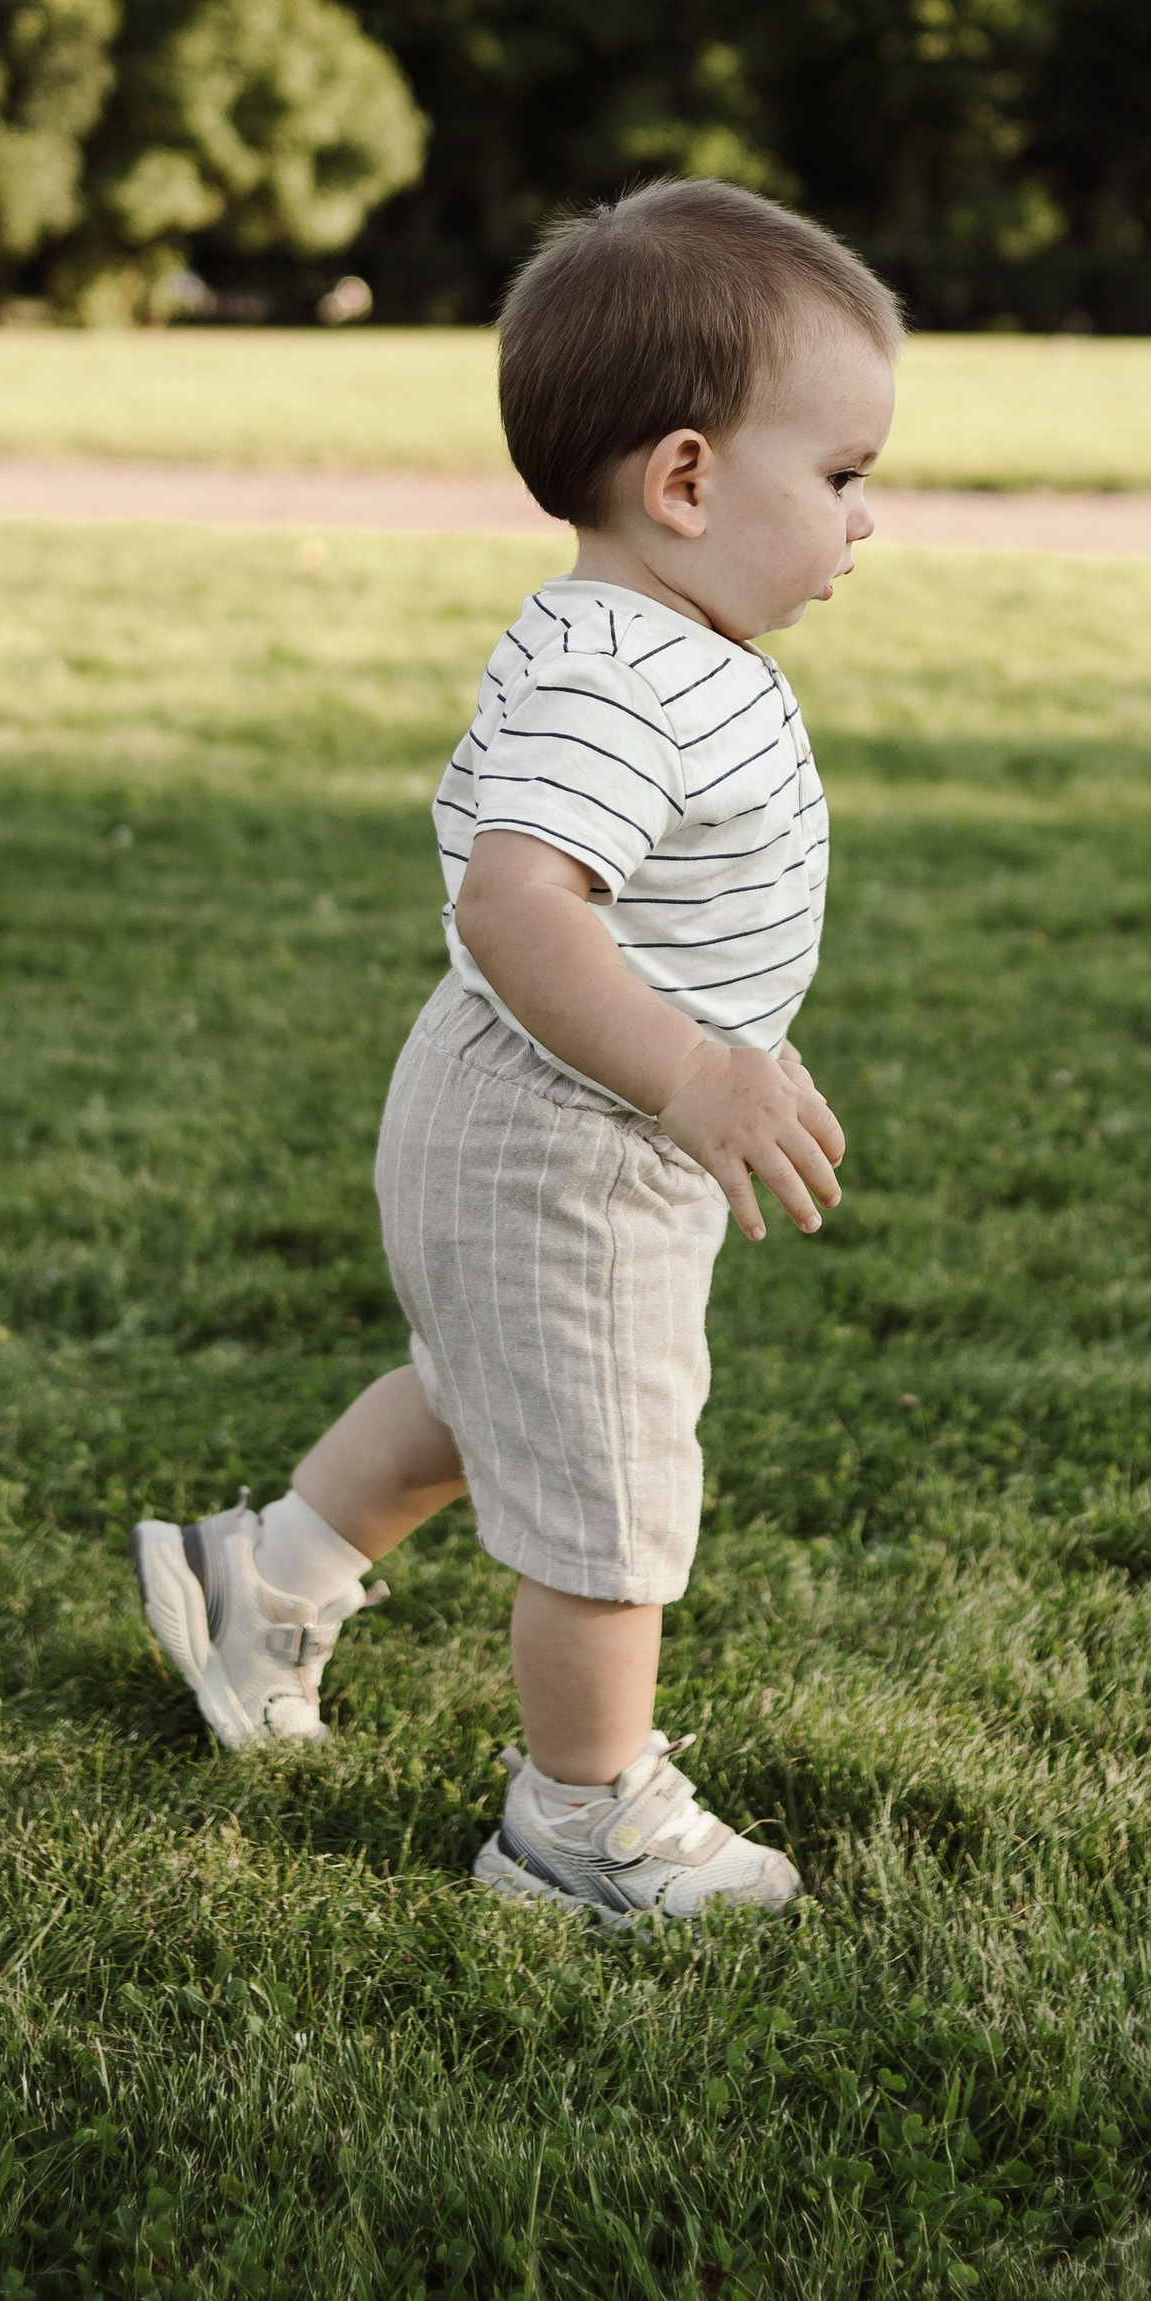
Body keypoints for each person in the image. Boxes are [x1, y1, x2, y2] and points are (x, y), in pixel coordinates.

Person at [131, 179, 902, 1928]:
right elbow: (518, 903)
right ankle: (580, 1819)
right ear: (687, 480)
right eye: (843, 474)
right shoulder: (617, 677)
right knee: (610, 1479)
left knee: (488, 1394)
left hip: (532, 1112)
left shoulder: (651, 636)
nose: (868, 518)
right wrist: (691, 1072)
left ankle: (263, 1582)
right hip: (572, 1132)